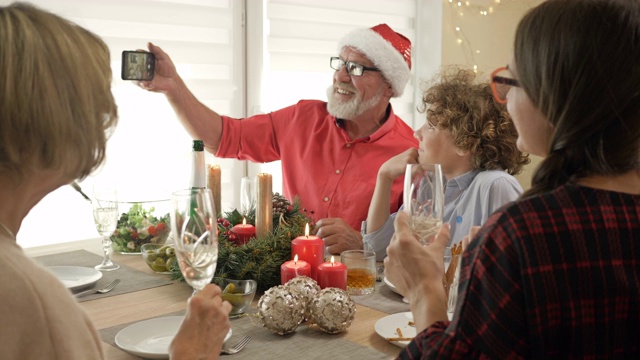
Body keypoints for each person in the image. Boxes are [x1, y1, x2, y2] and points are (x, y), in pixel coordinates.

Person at [385, 0, 640, 358]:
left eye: (510, 80)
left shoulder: (522, 234)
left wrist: (424, 290)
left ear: (554, 96)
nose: (503, 100)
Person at [0, 3, 231, 359]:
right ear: (54, 119)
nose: (106, 113)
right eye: (95, 97)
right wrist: (193, 353)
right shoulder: (28, 301)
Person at [137, 24, 418, 255]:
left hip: (360, 289)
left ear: (389, 86)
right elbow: (223, 138)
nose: (340, 76)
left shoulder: (410, 153)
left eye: (356, 68)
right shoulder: (302, 117)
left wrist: (362, 244)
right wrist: (173, 87)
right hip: (284, 276)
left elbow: (418, 247)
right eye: (340, 64)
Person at [364, 67, 528, 260]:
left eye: (431, 126)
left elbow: (511, 266)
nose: (417, 133)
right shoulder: (429, 183)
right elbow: (377, 251)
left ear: (465, 143)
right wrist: (384, 177)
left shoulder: (495, 185)